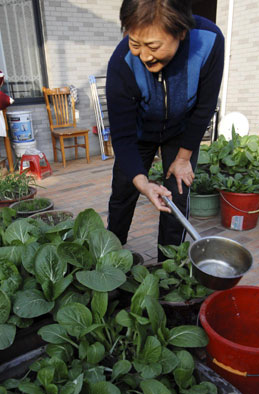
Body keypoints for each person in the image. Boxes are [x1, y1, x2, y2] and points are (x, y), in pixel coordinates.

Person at [106, 0, 224, 261]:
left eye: (153, 46)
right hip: (138, 134)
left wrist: (183, 159)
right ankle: (109, 258)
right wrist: (143, 183)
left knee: (177, 195)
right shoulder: (121, 63)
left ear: (181, 32)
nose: (144, 55)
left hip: (181, 132)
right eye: (135, 43)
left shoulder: (209, 41)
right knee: (124, 191)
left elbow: (204, 108)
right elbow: (122, 136)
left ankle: (167, 267)